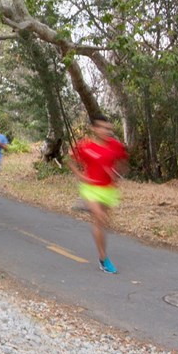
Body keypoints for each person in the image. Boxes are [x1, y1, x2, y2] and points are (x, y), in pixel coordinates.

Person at [67, 114, 129, 275]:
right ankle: (103, 258)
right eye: (101, 127)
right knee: (99, 217)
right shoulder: (85, 146)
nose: (105, 131)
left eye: (108, 128)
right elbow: (70, 160)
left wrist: (117, 174)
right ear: (94, 128)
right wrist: (80, 175)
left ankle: (102, 256)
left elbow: (123, 163)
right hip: (90, 187)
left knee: (103, 223)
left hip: (108, 189)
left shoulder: (115, 146)